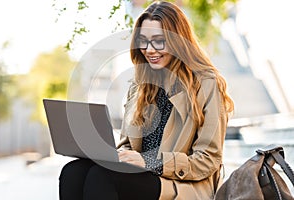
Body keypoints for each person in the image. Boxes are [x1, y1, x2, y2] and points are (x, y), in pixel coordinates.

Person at [59, 1, 234, 199]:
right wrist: (117, 156)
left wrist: (151, 162)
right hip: (143, 176)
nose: (149, 49)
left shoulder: (207, 84)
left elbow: (208, 159)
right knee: (73, 172)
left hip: (182, 185)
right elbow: (126, 144)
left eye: (159, 41)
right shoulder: (140, 85)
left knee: (103, 177)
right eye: (143, 40)